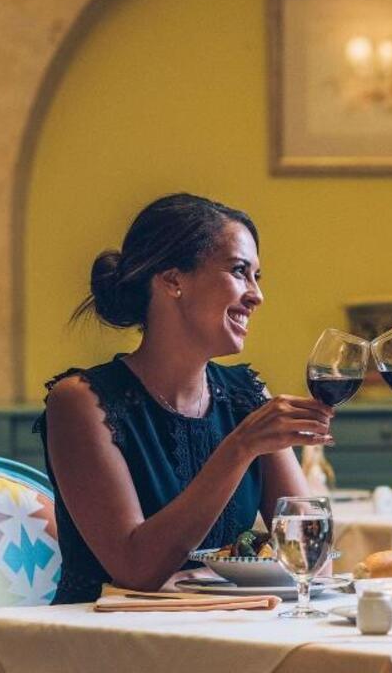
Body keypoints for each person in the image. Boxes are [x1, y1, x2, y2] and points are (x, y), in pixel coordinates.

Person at [37, 192, 334, 603]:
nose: (256, 295)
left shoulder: (246, 397)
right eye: (239, 271)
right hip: (102, 633)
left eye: (256, 277)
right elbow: (136, 570)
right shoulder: (81, 402)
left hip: (218, 629)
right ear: (173, 280)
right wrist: (240, 447)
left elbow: (313, 559)